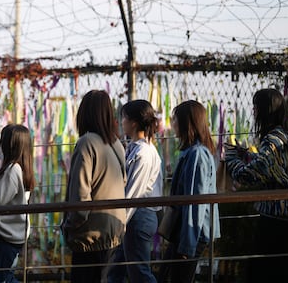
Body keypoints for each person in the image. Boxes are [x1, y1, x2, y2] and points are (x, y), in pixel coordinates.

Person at [224, 88, 288, 282]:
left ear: (265, 109)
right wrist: (246, 155)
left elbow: (250, 175)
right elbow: (272, 166)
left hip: (277, 218)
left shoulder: (272, 139)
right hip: (282, 217)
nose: (253, 111)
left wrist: (231, 159)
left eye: (255, 107)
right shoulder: (282, 135)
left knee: (266, 271)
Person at [61, 90, 127, 283]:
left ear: (84, 114)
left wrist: (69, 225)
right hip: (114, 233)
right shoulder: (116, 144)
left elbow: (80, 196)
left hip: (90, 238)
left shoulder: (86, 143)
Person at [157, 100, 220, 283]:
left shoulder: (197, 155)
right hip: (186, 231)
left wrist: (187, 245)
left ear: (186, 123)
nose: (173, 125)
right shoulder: (193, 152)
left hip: (191, 232)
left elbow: (195, 202)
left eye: (175, 120)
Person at [108, 100, 163, 283]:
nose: (120, 122)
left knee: (139, 272)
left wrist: (120, 222)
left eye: (123, 118)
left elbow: (133, 192)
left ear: (133, 122)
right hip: (134, 216)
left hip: (137, 216)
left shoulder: (143, 153)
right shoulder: (135, 148)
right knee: (117, 270)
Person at [0, 124, 36, 283]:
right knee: (5, 277)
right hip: (11, 236)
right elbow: (0, 147)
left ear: (10, 146)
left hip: (4, 238)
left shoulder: (12, 170)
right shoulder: (22, 166)